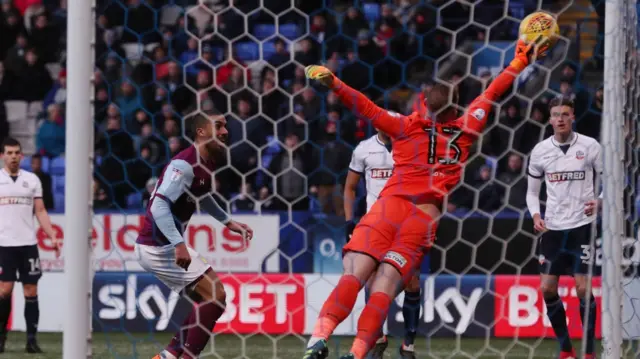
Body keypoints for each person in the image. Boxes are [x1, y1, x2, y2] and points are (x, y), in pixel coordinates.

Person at [302, 36, 545, 359]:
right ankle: (357, 353)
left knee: (354, 275)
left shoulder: (405, 126)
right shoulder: (467, 130)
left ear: (425, 105)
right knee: (384, 289)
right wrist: (519, 62)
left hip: (387, 207)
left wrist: (333, 82)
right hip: (423, 218)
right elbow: (492, 92)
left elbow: (364, 105)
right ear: (455, 107)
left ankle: (319, 338)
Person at [137, 113, 254, 359]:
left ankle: (168, 355)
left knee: (210, 301)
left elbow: (203, 195)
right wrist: (179, 244)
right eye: (218, 126)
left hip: (164, 246)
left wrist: (228, 222)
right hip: (158, 247)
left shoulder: (207, 162)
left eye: (225, 127)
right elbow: (158, 206)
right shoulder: (184, 164)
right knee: (216, 295)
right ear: (201, 132)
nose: (225, 132)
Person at [526, 98, 602, 359]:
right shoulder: (540, 151)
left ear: (573, 117)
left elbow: (609, 180)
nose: (560, 119)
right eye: (555, 114)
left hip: (582, 226)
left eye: (565, 114)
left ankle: (589, 351)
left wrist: (600, 200)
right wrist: (535, 214)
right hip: (553, 229)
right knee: (547, 288)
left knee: (582, 288)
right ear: (549, 119)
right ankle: (566, 347)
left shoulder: (590, 146)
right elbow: (532, 192)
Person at [344, 131, 420, 359]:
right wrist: (349, 222)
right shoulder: (363, 149)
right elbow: (350, 187)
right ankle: (377, 337)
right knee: (371, 281)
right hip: (374, 225)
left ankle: (408, 344)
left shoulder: (411, 147)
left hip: (406, 224)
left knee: (412, 282)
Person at [0, 138, 61, 353]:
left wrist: (52, 235)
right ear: (2, 156)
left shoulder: (32, 179)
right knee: (4, 291)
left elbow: (41, 210)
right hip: (4, 245)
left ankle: (31, 341)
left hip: (28, 244)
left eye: (17, 152)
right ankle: (1, 338)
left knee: (31, 290)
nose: (14, 156)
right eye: (9, 152)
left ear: (22, 156)